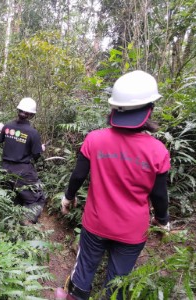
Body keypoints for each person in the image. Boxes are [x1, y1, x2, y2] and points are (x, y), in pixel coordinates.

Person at [55, 70, 171, 300]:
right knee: (118, 282)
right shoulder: (157, 151)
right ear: (149, 109)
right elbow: (160, 195)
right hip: (132, 231)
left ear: (114, 109)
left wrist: (68, 197)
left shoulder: (95, 139)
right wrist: (163, 220)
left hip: (96, 224)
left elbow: (78, 176)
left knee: (84, 269)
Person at [0, 97, 46, 225]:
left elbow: (0, 140)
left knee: (13, 195)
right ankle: (27, 223)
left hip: (4, 169)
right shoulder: (33, 133)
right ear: (31, 115)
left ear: (18, 110)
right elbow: (36, 156)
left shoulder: (7, 126)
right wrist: (40, 149)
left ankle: (12, 222)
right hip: (23, 171)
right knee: (38, 197)